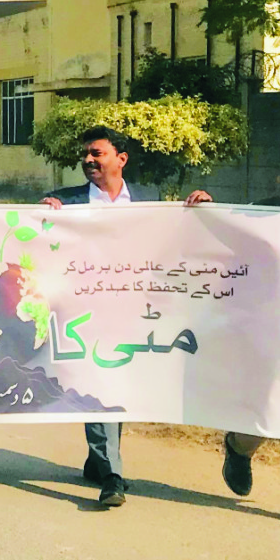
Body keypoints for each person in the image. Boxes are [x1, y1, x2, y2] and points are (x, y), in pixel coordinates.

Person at [37, 125, 212, 508]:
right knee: (99, 384)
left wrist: (201, 210)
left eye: (96, 153)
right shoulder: (65, 202)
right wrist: (43, 215)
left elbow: (175, 238)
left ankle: (98, 460)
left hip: (136, 312)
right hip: (86, 314)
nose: (88, 160)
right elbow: (38, 240)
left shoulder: (149, 200)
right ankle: (112, 476)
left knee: (120, 386)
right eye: (85, 154)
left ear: (121, 159)